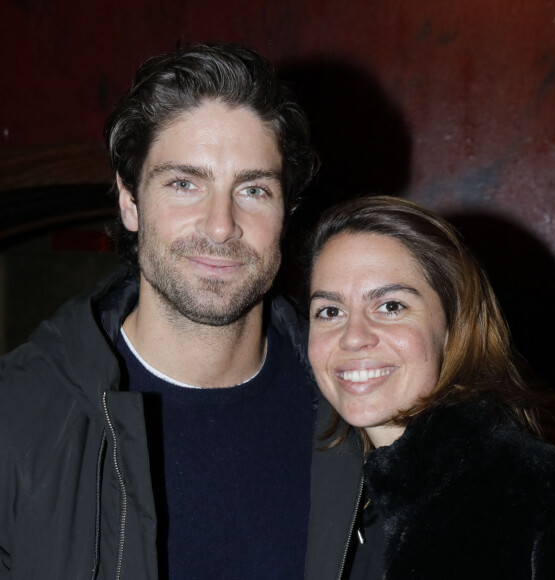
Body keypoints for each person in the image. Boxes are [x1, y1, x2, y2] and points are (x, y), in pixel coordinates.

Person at [0, 44, 363, 580]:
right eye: (185, 184)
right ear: (129, 200)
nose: (221, 225)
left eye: (254, 189)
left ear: (285, 210)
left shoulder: (359, 409)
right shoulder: (19, 416)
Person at [307, 195, 555, 579]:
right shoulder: (319, 498)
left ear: (453, 327)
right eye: (330, 311)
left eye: (390, 306)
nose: (353, 338)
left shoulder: (553, 499)